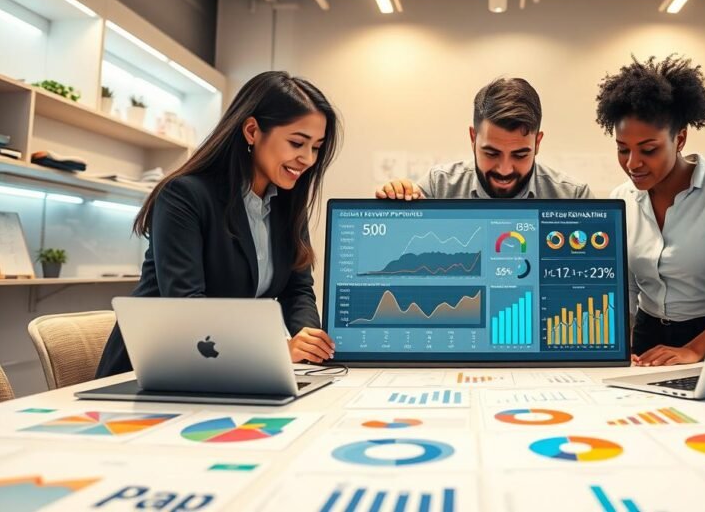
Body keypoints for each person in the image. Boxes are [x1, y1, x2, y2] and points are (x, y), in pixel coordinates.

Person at [96, 71, 342, 377]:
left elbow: (298, 290)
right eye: (297, 143)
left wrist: (307, 340)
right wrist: (276, 350)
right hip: (150, 372)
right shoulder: (184, 195)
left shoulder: (286, 206)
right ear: (252, 131)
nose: (308, 159)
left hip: (227, 371)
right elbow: (188, 309)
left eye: (316, 147)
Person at [597, 55, 705, 367]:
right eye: (623, 149)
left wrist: (694, 350)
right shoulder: (621, 199)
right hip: (646, 339)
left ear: (680, 139)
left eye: (648, 150)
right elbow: (628, 287)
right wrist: (619, 344)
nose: (633, 163)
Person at [375, 77, 591, 200]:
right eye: (491, 153)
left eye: (520, 155)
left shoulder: (574, 196)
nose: (505, 169)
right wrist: (397, 202)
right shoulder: (438, 186)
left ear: (538, 143)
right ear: (472, 138)